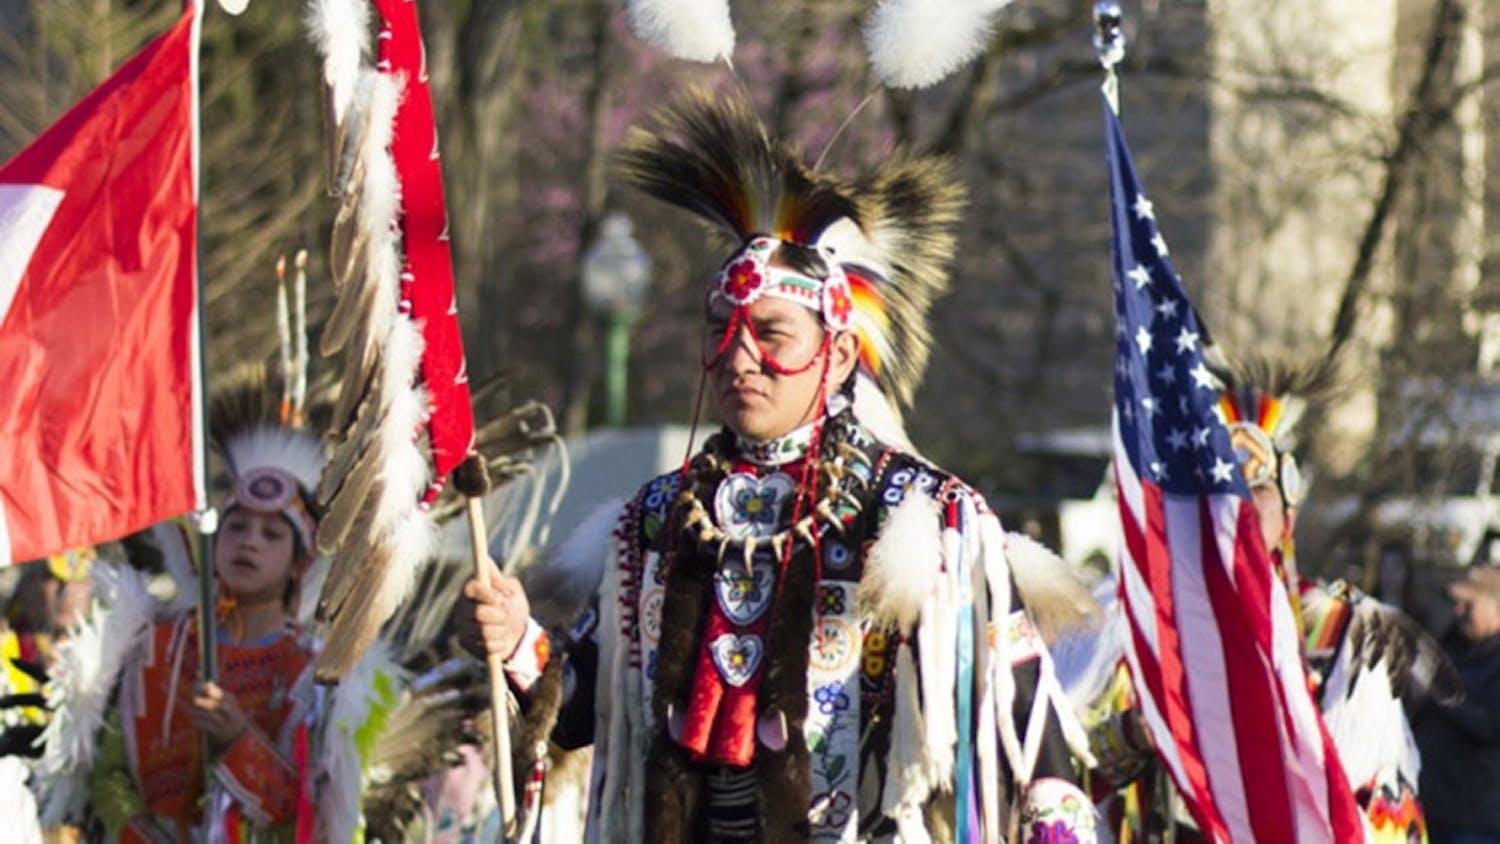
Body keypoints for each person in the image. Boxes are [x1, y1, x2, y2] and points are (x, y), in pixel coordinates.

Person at [461, 91, 1098, 842]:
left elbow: (1026, 721)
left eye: (771, 334)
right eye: (721, 332)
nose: (739, 359)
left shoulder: (923, 516)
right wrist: (518, 640)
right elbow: (579, 710)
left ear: (838, 355)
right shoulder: (659, 521)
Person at [1067, 353, 1457, 842]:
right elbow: (1063, 761)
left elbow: (1375, 798)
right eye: (1219, 492)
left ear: (1288, 508)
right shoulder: (1130, 617)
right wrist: (1137, 733)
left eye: (1258, 489)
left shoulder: (1341, 629)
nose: (1240, 508)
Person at [80, 373, 327, 842]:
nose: (249, 542)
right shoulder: (158, 648)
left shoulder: (308, 673)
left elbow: (305, 814)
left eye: (272, 534)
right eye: (236, 527)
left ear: (299, 562)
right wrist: (137, 831)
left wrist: (238, 739)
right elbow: (109, 772)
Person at [1413, 565, 1500, 843]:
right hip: (1431, 809)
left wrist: (1443, 694)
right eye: (1456, 604)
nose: (1458, 611)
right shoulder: (1452, 645)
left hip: (1478, 820)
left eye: (1468, 604)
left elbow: (1490, 725)